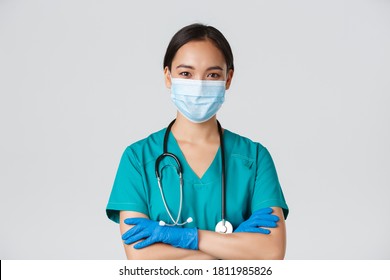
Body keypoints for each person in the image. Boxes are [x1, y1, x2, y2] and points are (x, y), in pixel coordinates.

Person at [106, 23, 289, 260]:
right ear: (168, 77)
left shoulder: (253, 158)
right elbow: (141, 259)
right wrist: (232, 247)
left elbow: (272, 252)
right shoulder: (138, 158)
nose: (199, 84)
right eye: (186, 73)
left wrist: (188, 238)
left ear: (228, 79)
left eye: (213, 74)